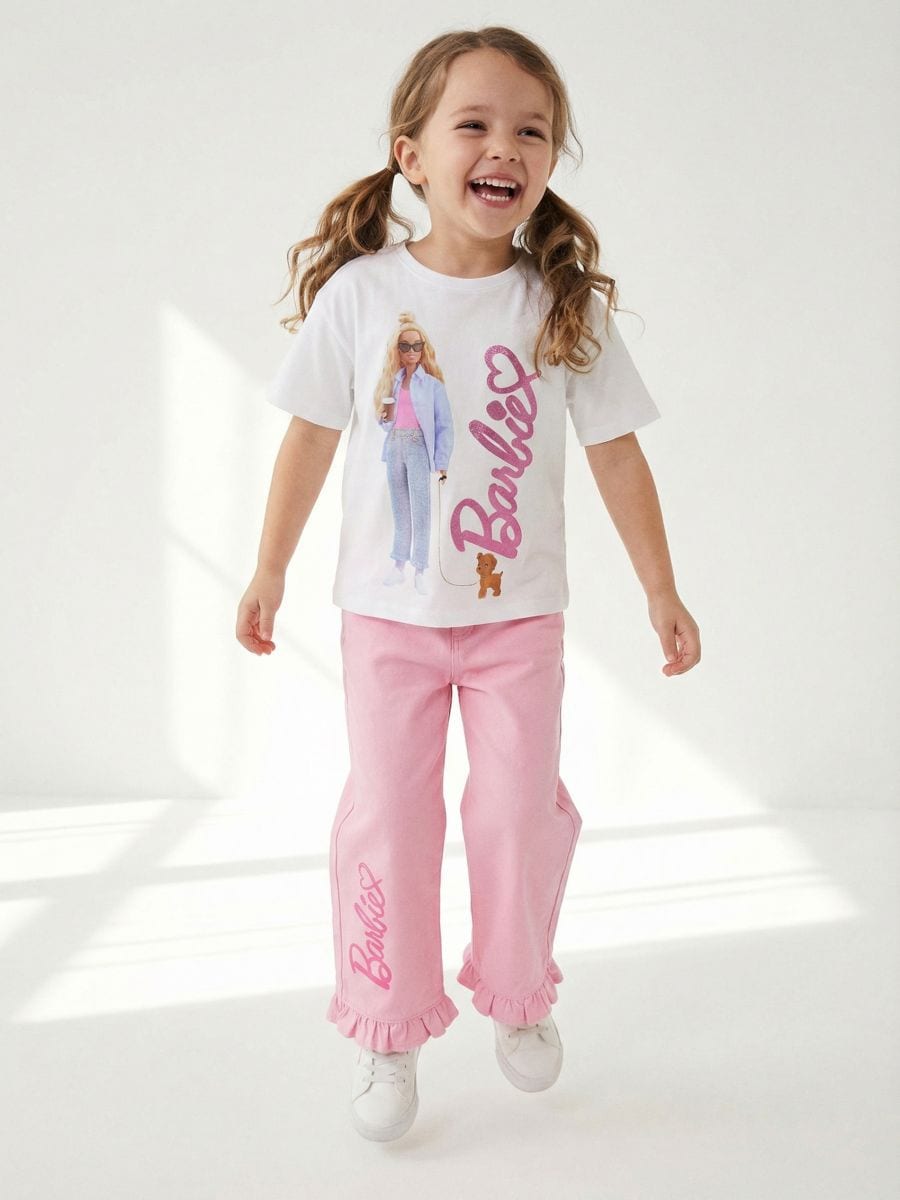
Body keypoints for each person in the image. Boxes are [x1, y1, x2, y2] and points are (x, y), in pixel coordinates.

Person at [236, 25, 701, 1143]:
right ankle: (386, 1024)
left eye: (532, 131)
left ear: (549, 161)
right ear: (412, 154)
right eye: (475, 124)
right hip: (387, 621)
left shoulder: (558, 305)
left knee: (514, 810)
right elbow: (309, 437)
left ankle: (517, 984)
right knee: (390, 819)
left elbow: (616, 453)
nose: (506, 148)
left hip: (517, 621)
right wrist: (269, 567)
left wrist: (661, 589)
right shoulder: (362, 296)